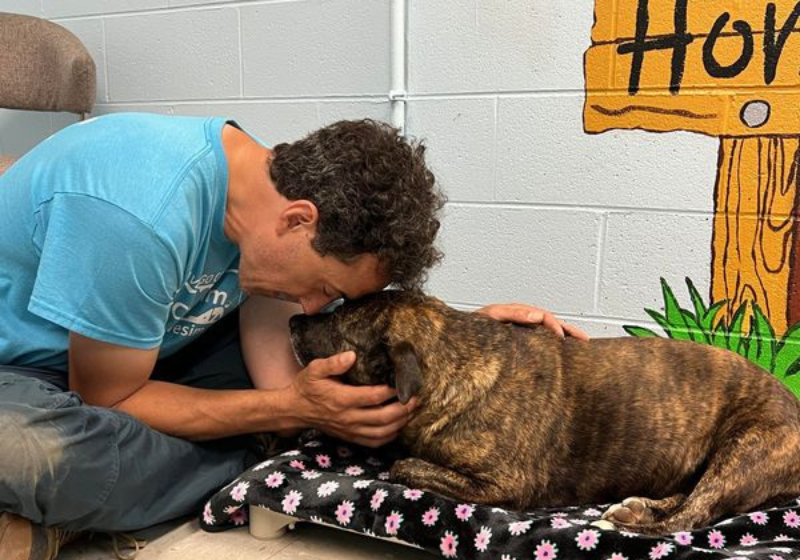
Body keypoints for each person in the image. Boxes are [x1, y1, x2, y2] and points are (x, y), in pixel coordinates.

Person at [0, 113, 588, 560]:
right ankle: (161, 488)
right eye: (322, 286)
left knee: (333, 392)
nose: (315, 306)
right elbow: (108, 396)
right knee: (27, 452)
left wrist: (465, 342)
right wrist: (285, 407)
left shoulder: (260, 196)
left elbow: (303, 341)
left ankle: (103, 503)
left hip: (149, 352)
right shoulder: (140, 215)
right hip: (37, 373)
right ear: (298, 220)